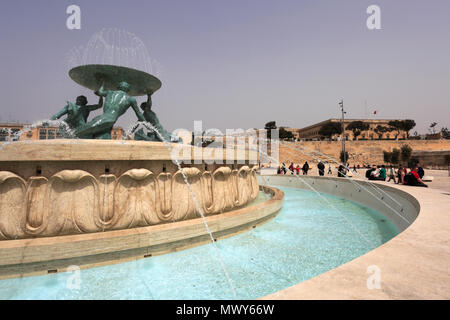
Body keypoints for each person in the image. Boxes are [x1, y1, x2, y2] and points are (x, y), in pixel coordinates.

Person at [75, 81, 146, 139]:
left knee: (77, 132)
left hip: (104, 119)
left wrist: (103, 81)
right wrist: (147, 124)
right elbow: (139, 114)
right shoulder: (131, 99)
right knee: (102, 137)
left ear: (118, 87)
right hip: (110, 120)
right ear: (128, 90)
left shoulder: (109, 92)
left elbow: (100, 92)